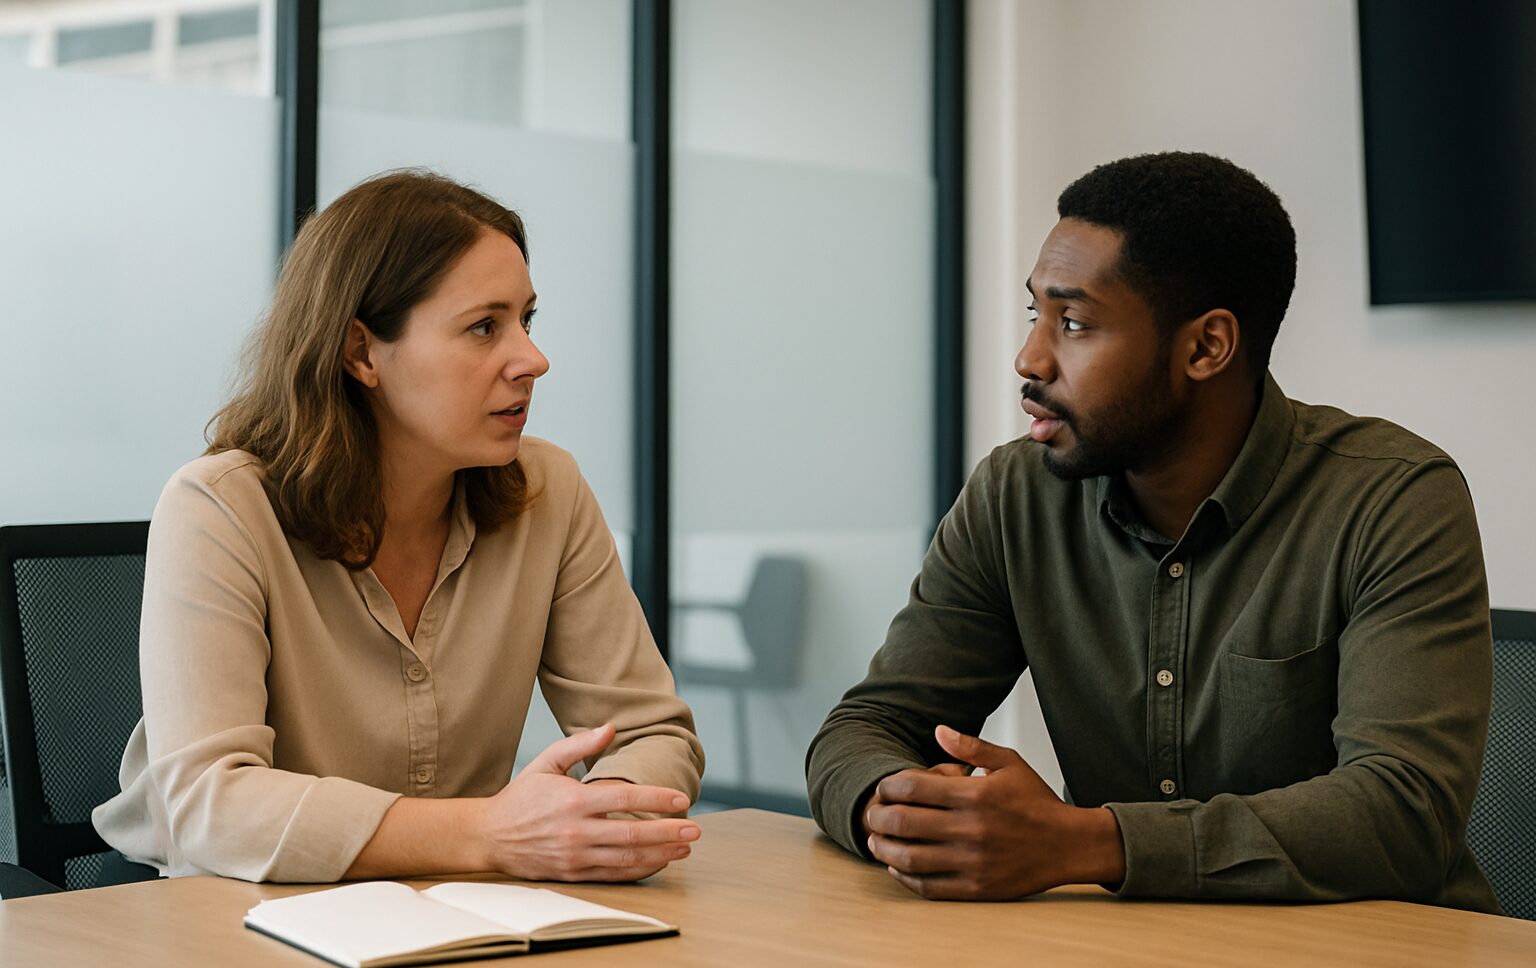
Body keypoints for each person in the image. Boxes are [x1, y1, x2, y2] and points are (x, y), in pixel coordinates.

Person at [806, 151, 1497, 913]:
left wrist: (1084, 842)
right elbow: (868, 727)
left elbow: (1404, 814)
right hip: (1126, 962)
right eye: (1035, 313)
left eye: (1073, 323)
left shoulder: (1391, 498)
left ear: (1206, 347)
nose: (1029, 357)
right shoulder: (1014, 495)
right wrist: (896, 809)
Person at [94, 170, 705, 883]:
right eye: (484, 327)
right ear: (361, 353)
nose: (533, 359)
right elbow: (210, 806)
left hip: (460, 912)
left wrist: (586, 823)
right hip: (232, 923)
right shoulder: (220, 507)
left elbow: (651, 732)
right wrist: (490, 832)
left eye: (526, 321)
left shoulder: (550, 491)